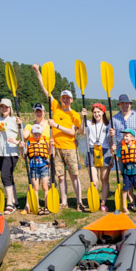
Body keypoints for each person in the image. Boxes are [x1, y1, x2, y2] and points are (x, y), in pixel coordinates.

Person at [32, 66, 84, 211]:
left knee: (74, 176)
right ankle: (64, 201)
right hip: (57, 148)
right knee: (61, 177)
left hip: (70, 148)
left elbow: (73, 132)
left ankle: (79, 201)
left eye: (67, 98)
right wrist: (38, 73)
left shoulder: (74, 115)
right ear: (61, 99)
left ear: (71, 100)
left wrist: (57, 125)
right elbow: (46, 90)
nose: (65, 100)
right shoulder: (56, 107)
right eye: (63, 98)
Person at [110, 94, 136, 211]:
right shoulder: (114, 119)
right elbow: (110, 138)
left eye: (127, 103)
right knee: (126, 178)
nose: (125, 105)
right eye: (122, 103)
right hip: (123, 153)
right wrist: (111, 137)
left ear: (130, 104)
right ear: (119, 105)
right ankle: (131, 203)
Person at [0, 97, 21, 215]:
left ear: (10, 108)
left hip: (11, 152)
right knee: (9, 176)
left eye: (6, 107)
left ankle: (10, 204)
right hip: (0, 151)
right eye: (2, 107)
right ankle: (15, 200)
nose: (4, 109)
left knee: (5, 175)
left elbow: (23, 135)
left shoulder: (15, 120)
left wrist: (20, 126)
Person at [23, 105, 52, 215]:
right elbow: (24, 138)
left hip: (45, 165)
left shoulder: (49, 126)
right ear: (34, 112)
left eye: (41, 111)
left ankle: (47, 206)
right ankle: (33, 206)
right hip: (33, 166)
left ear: (44, 112)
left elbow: (49, 151)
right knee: (35, 187)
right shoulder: (30, 126)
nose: (39, 113)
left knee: (45, 186)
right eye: (36, 111)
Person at [84, 102, 112, 211]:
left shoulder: (108, 124)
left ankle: (103, 203)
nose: (96, 114)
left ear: (103, 112)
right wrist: (83, 116)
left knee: (104, 178)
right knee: (94, 181)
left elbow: (111, 140)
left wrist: (112, 157)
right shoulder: (88, 123)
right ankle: (94, 201)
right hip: (92, 151)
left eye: (98, 112)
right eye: (94, 112)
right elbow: (81, 131)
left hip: (105, 151)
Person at [117, 128, 136, 215]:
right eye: (123, 136)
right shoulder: (122, 147)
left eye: (126, 136)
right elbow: (117, 158)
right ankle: (124, 207)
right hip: (126, 173)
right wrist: (113, 150)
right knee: (125, 190)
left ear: (132, 137)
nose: (124, 137)